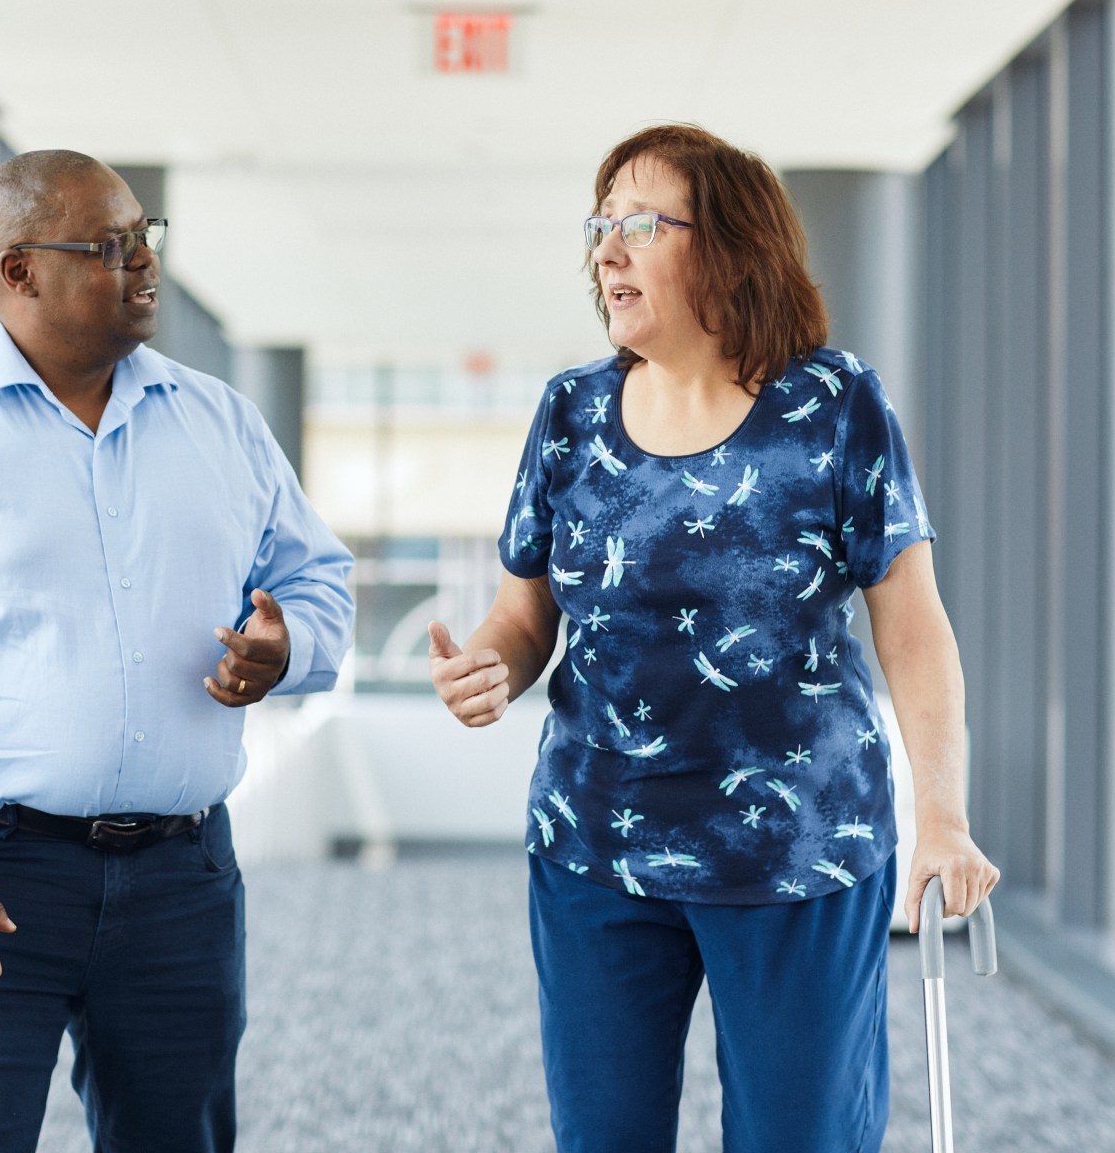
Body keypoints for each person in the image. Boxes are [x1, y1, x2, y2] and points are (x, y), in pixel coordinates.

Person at [426, 123, 997, 1153]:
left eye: (640, 222)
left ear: (731, 246)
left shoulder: (834, 406)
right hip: (599, 844)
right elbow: (524, 615)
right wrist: (489, 669)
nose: (607, 250)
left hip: (799, 852)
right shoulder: (570, 413)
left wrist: (943, 814)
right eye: (600, 224)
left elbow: (912, 630)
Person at [0, 149, 354, 1153]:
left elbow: (320, 578)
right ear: (19, 272)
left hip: (182, 880)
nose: (145, 261)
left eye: (147, 235)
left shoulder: (221, 423)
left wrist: (291, 645)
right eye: (111, 245)